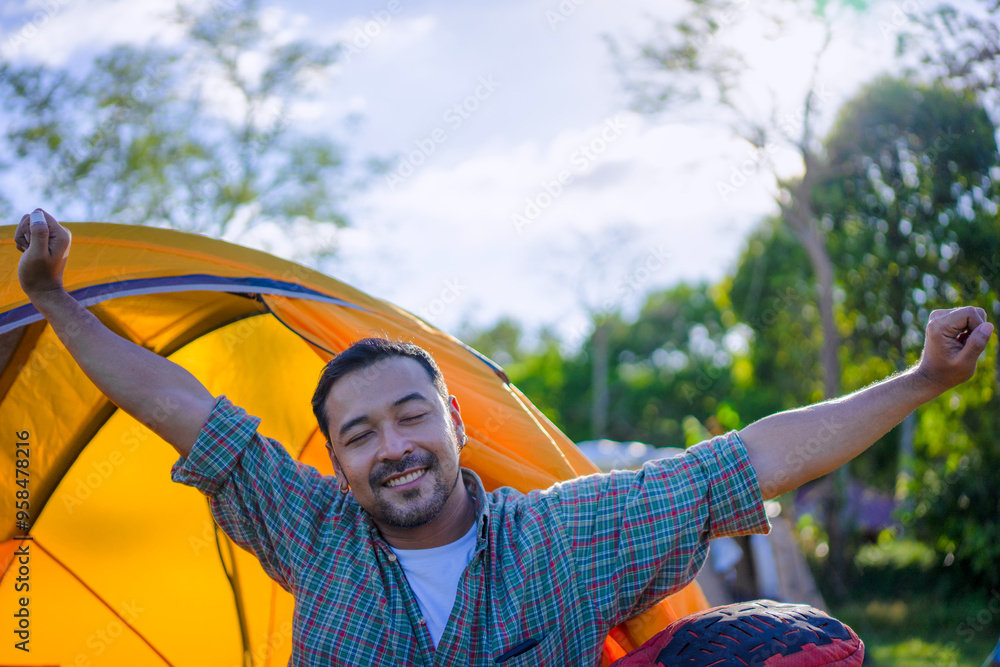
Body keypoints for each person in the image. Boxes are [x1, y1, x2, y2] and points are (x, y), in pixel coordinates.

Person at [14, 209, 994, 665]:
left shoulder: (566, 537)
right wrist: (57, 299)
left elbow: (757, 458)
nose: (391, 445)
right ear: (335, 457)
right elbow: (174, 401)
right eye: (358, 432)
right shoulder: (310, 530)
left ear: (455, 421)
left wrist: (919, 380)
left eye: (409, 415)